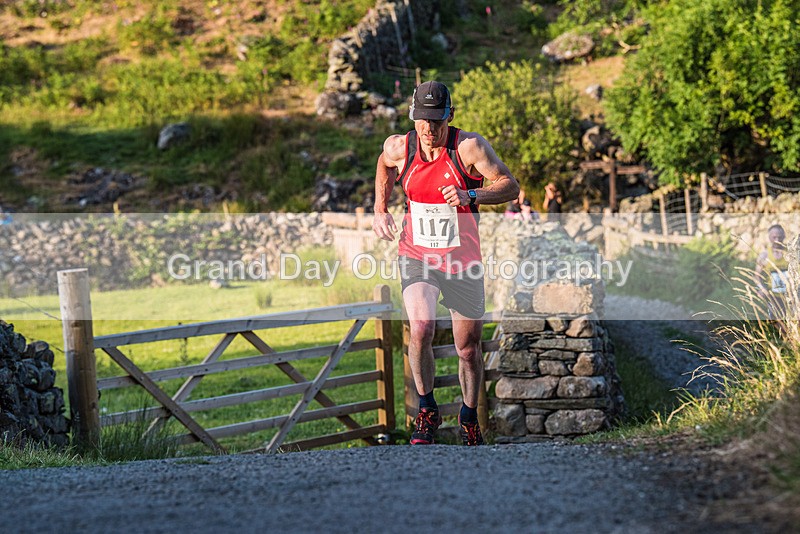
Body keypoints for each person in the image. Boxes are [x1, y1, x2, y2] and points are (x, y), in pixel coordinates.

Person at [372, 80, 520, 446]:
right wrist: (380, 208)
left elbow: (510, 185)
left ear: (450, 116)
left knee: (467, 348)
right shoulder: (401, 146)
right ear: (413, 116)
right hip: (417, 253)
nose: (429, 129)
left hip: (462, 260)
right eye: (422, 120)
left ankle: (469, 416)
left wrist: (471, 194)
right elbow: (383, 163)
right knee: (420, 325)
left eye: (437, 121)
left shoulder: (468, 147)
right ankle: (427, 410)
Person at [755, 224, 789, 321]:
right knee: (776, 323)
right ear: (769, 237)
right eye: (774, 237)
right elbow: (757, 275)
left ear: (784, 236)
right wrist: (761, 288)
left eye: (779, 237)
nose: (777, 240)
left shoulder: (790, 253)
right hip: (773, 296)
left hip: (791, 295)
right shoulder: (764, 255)